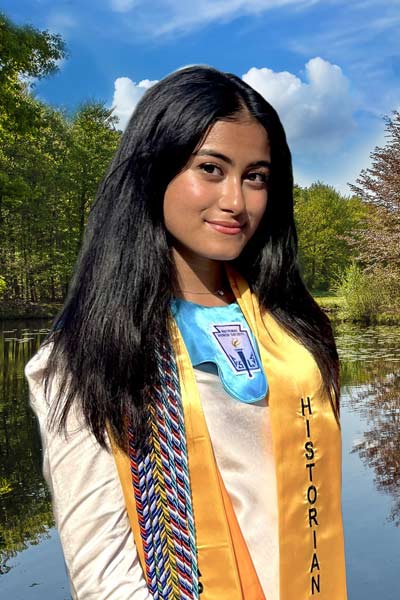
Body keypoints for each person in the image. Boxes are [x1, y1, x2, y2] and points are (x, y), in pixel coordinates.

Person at [25, 65, 347, 600]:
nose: (237, 202)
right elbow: (104, 574)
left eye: (256, 176)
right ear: (154, 172)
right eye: (211, 168)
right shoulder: (84, 357)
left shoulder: (293, 336)